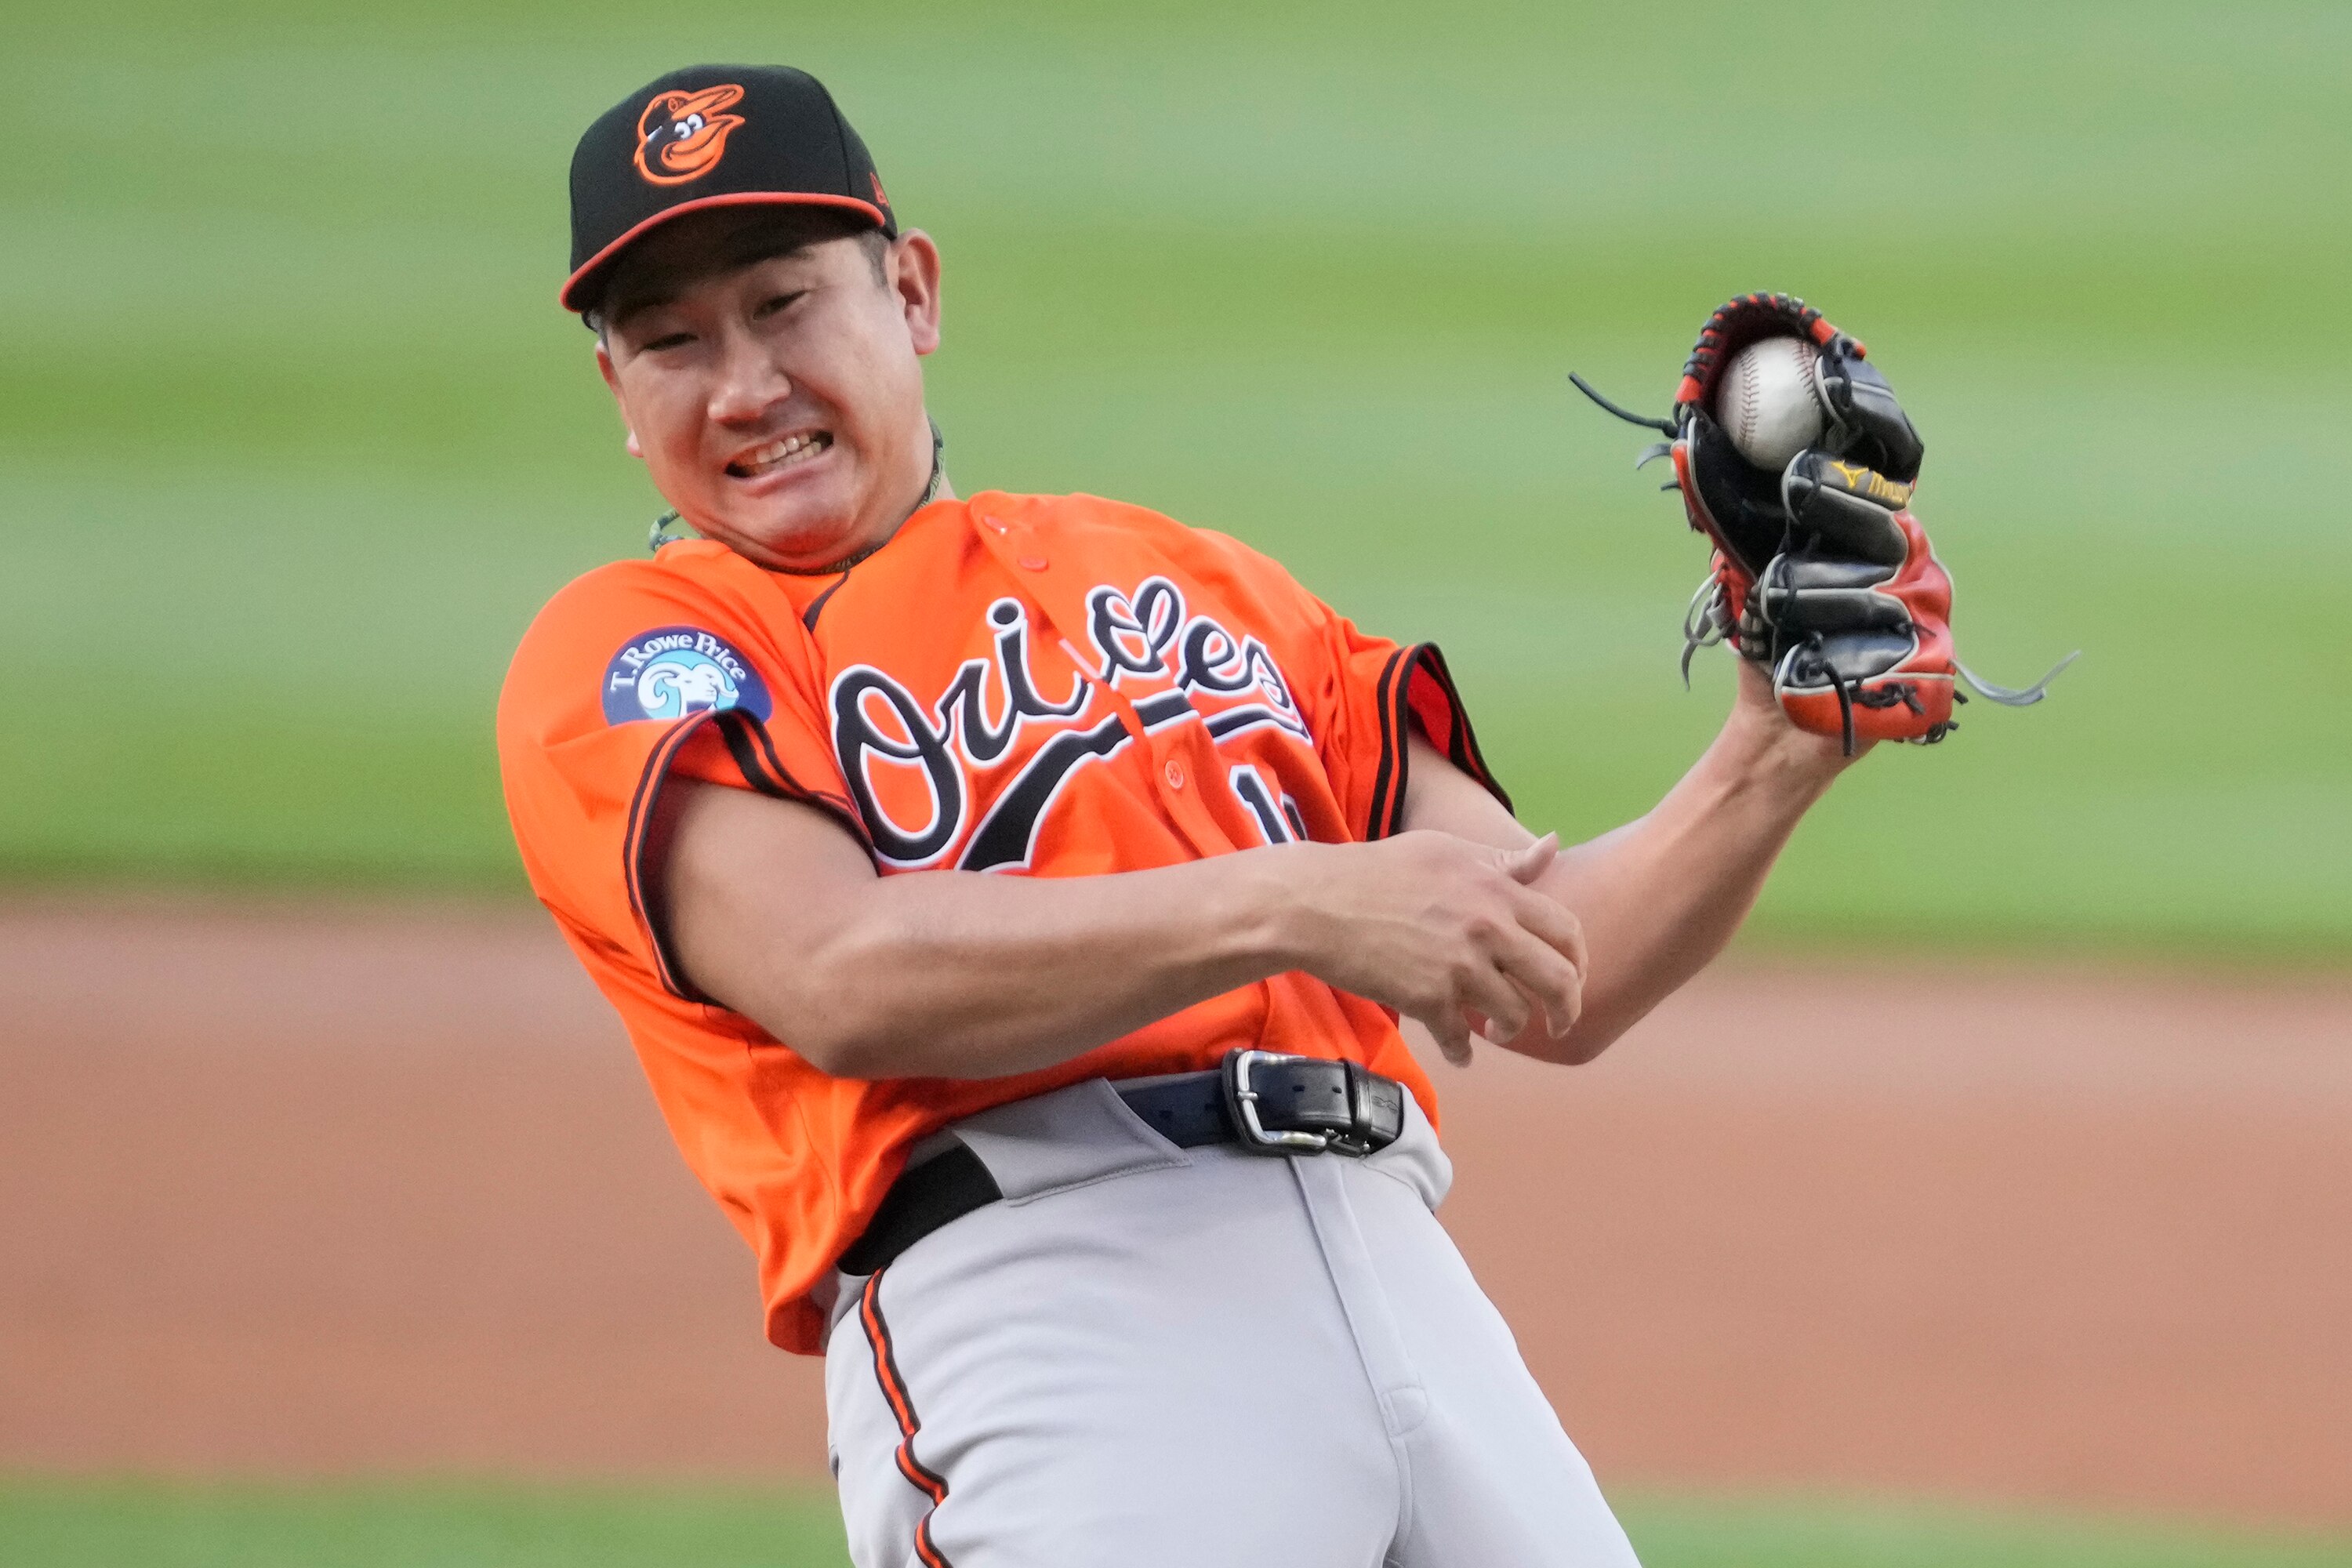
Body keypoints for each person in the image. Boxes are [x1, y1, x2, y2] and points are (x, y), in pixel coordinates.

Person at [498, 63, 1871, 1568]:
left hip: (1407, 1280)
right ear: (619, 395)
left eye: (782, 303)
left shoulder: (1197, 581)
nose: (744, 384)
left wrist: (1776, 746)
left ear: (912, 292)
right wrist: (1296, 900)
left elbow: (1550, 966)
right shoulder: (644, 649)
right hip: (1052, 1299)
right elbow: (839, 975)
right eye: (670, 341)